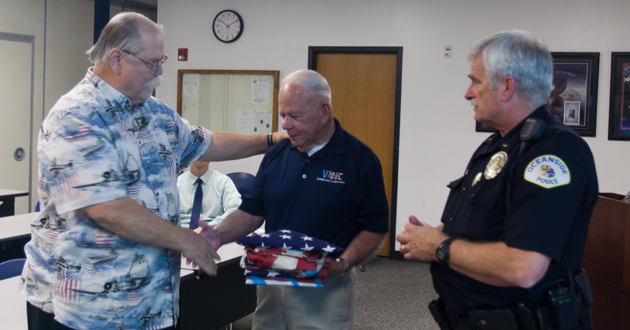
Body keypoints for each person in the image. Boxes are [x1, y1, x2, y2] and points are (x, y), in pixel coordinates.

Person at [20, 12, 286, 330]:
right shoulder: (77, 117)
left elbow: (207, 143)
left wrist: (272, 141)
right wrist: (185, 240)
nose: (160, 72)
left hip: (148, 306)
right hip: (85, 310)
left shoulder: (152, 112)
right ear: (117, 58)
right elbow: (107, 208)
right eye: (152, 63)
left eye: (162, 61)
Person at [396, 30, 598, 329]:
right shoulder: (498, 145)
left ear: (506, 87)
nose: (467, 93)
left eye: (475, 81)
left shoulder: (553, 154)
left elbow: (523, 267)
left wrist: (439, 246)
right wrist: (425, 238)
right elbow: (482, 225)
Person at [201, 69, 390, 330]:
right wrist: (218, 235)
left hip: (325, 284)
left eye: (295, 116)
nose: (286, 125)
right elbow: (252, 212)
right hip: (272, 280)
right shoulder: (276, 154)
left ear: (324, 112)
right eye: (283, 116)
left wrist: (344, 263)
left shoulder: (360, 160)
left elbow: (375, 227)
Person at [177, 161, 241, 230]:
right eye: (196, 152)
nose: (201, 155)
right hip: (180, 233)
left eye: (204, 151)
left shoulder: (224, 182)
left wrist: (206, 228)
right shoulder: (176, 183)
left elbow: (234, 210)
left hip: (213, 232)